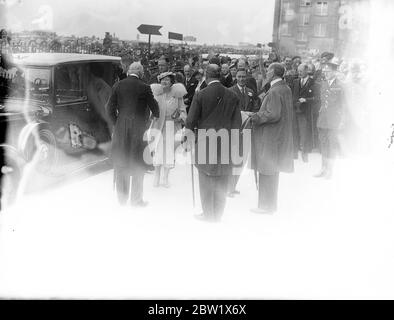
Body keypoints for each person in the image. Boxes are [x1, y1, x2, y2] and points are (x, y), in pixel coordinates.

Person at [185, 64, 242, 222]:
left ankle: (208, 213)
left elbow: (190, 121)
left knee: (205, 176)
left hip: (204, 141)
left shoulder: (200, 94)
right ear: (220, 75)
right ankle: (218, 214)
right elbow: (237, 124)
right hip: (226, 142)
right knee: (222, 177)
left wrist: (188, 139)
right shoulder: (232, 96)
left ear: (207, 76)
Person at [106, 62, 159, 207]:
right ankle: (136, 201)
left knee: (121, 163)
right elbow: (156, 111)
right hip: (138, 130)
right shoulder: (145, 87)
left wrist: (117, 124)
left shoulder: (118, 85)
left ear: (129, 72)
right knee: (138, 163)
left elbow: (109, 109)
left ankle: (121, 200)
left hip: (121, 130)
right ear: (141, 73)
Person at [250, 63, 294, 214]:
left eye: (268, 70)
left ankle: (264, 206)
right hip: (278, 137)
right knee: (272, 172)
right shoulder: (285, 88)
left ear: (274, 73)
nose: (266, 72)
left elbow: (273, 114)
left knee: (266, 171)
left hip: (270, 137)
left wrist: (255, 116)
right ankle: (270, 206)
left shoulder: (275, 90)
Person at [149, 72, 187, 187]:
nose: (164, 82)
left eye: (167, 80)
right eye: (162, 80)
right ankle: (156, 176)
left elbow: (183, 111)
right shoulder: (156, 94)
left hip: (171, 126)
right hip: (158, 125)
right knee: (158, 150)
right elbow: (151, 109)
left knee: (169, 152)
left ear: (171, 82)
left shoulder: (177, 95)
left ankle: (165, 178)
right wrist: (152, 115)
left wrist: (180, 117)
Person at [227, 67, 260, 197]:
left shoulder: (251, 92)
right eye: (239, 76)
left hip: (247, 130)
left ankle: (233, 186)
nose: (241, 79)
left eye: (243, 77)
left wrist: (252, 114)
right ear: (236, 77)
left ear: (247, 77)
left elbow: (257, 108)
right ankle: (228, 186)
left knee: (243, 159)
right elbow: (228, 111)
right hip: (234, 131)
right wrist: (243, 113)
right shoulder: (230, 92)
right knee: (233, 158)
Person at [314, 59, 344, 179]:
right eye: (324, 71)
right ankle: (323, 169)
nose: (325, 73)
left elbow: (343, 104)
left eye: (328, 71)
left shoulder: (340, 85)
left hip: (334, 120)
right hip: (323, 119)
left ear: (335, 72)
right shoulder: (323, 83)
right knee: (323, 145)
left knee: (332, 145)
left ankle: (330, 171)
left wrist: (342, 120)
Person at [292, 63, 317, 162]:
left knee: (304, 132)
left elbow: (317, 98)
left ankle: (304, 153)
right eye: (298, 71)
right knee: (295, 131)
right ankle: (295, 153)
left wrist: (306, 100)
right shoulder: (295, 81)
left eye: (301, 71)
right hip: (295, 111)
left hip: (305, 112)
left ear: (307, 71)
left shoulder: (313, 82)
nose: (299, 73)